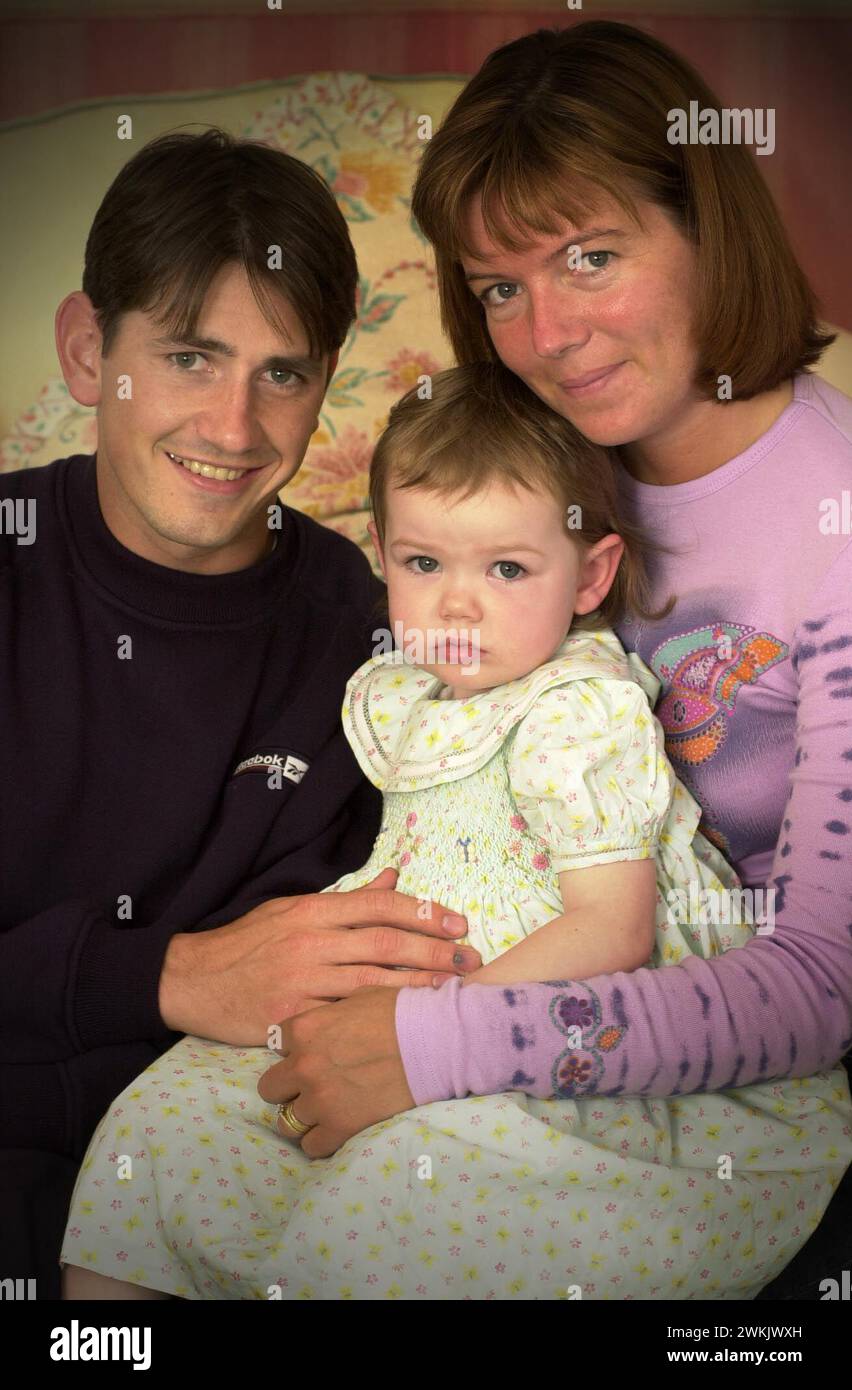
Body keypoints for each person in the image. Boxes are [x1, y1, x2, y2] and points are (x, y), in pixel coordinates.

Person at [239, 20, 852, 1301]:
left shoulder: (834, 523)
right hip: (516, 990)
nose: (549, 332)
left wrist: (441, 1040)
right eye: (502, 286)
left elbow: (818, 988)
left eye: (592, 256)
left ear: (708, 227)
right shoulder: (523, 470)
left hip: (738, 1067)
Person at [60, 361, 852, 1300]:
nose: (457, 604)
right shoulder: (401, 688)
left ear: (591, 575)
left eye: (508, 568)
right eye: (423, 563)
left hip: (542, 1001)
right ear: (383, 553)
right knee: (158, 1127)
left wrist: (422, 1031)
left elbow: (614, 929)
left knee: (411, 1190)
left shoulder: (578, 709)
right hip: (400, 982)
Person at [0, 129, 482, 1301]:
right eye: (188, 355)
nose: (233, 428)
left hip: (221, 1189)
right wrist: (162, 973)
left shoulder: (381, 644)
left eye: (284, 372)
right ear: (85, 350)